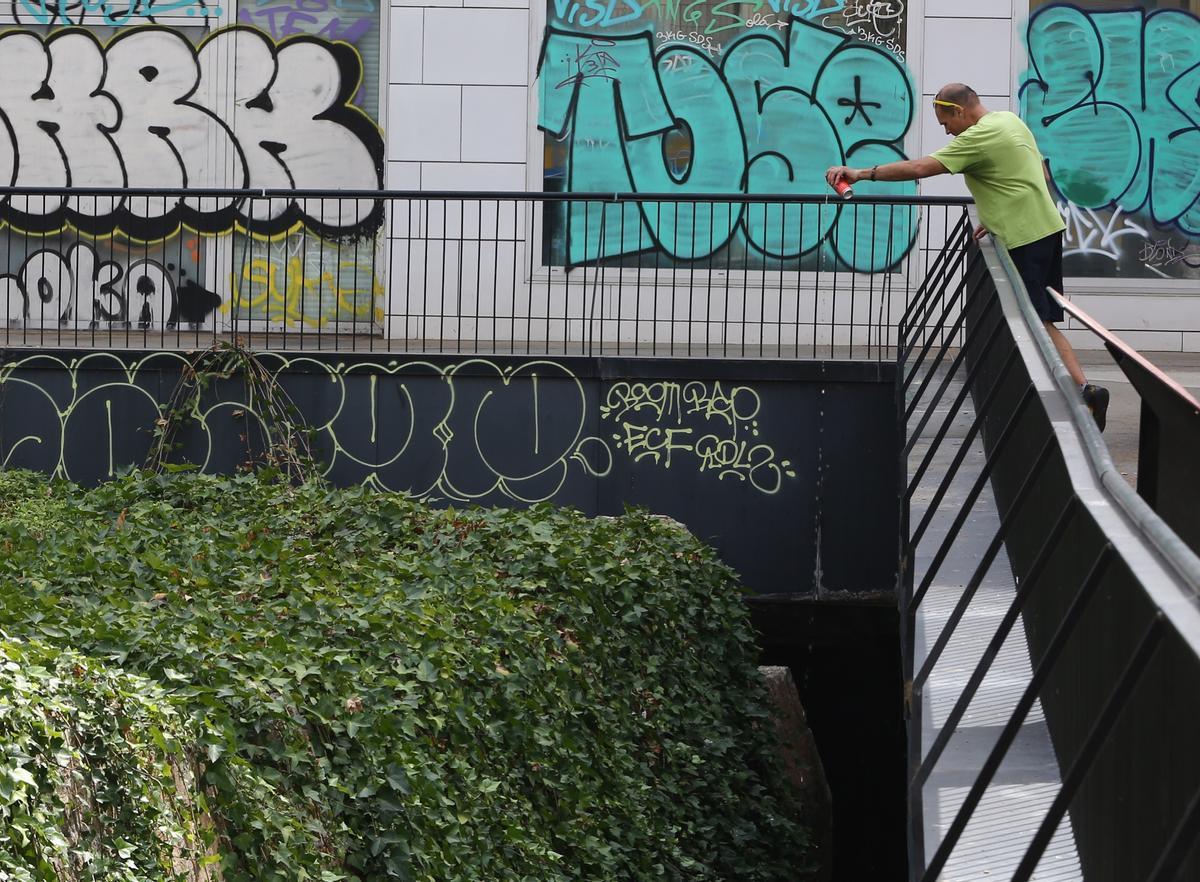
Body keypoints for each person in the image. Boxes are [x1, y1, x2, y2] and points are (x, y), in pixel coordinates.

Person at [825, 82, 1110, 431]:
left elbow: (918, 169)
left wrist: (861, 174)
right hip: (1045, 228)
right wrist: (993, 217)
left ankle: (1067, 396)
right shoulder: (1008, 121)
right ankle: (1083, 389)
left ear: (959, 110)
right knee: (1041, 317)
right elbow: (1020, 174)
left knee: (1034, 322)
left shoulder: (977, 138)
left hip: (1025, 237)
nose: (946, 131)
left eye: (946, 122)